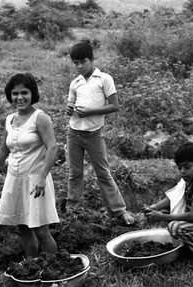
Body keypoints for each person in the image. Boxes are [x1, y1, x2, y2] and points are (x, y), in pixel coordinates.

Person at [0, 73, 59, 258]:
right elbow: (3, 149)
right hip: (15, 179)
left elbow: (53, 147)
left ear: (33, 93)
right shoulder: (10, 119)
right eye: (15, 93)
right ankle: (32, 265)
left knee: (41, 230)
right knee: (23, 227)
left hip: (35, 181)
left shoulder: (40, 118)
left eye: (24, 92)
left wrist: (42, 177)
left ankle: (54, 267)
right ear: (10, 96)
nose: (20, 97)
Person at [65, 40, 135, 225]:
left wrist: (90, 112)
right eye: (76, 63)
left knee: (103, 172)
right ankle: (73, 209)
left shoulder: (104, 79)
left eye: (83, 62)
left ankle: (119, 210)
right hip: (74, 133)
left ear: (92, 59)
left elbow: (114, 105)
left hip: (94, 134)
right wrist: (69, 110)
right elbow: (71, 105)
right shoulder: (75, 83)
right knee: (75, 172)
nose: (80, 66)